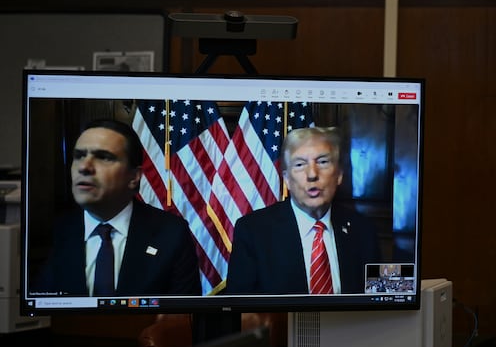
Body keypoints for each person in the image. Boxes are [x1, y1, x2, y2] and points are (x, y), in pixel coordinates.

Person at [33, 119, 201, 297]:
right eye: (79, 156)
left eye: (104, 157)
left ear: (134, 177)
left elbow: (182, 318)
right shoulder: (51, 233)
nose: (84, 167)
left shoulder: (171, 234)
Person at [226, 126, 382, 295]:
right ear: (286, 179)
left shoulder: (364, 230)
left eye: (322, 162)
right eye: (300, 164)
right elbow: (241, 312)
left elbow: (379, 304)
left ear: (338, 175)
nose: (312, 174)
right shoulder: (253, 232)